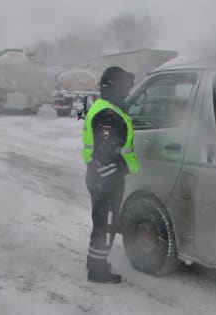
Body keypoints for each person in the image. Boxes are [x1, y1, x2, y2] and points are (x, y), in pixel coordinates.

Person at [82, 66, 140, 283]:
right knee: (106, 224)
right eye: (125, 87)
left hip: (100, 177)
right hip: (107, 178)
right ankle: (97, 271)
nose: (127, 93)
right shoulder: (109, 114)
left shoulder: (105, 107)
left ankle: (94, 262)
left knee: (100, 222)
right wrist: (114, 172)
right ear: (114, 87)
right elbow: (104, 152)